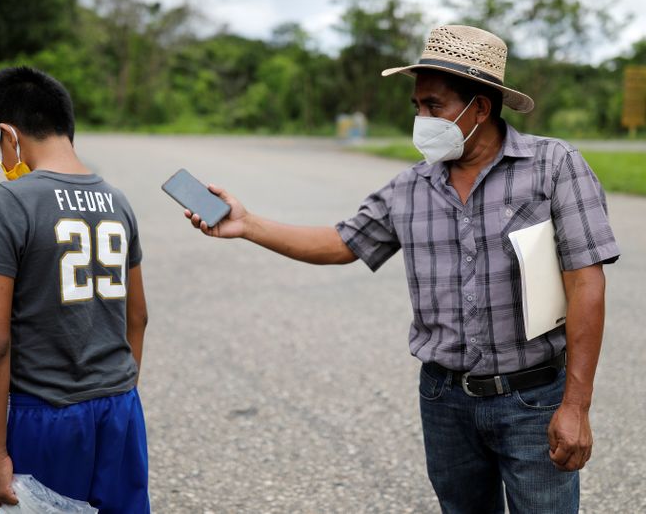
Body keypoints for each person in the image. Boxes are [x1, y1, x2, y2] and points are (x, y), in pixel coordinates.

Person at [184, 25, 620, 513]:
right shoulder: (410, 188)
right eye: (417, 107)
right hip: (444, 401)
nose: (422, 119)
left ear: (480, 107)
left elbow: (586, 282)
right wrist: (248, 224)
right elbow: (341, 243)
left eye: (434, 106)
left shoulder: (553, 167)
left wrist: (576, 406)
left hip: (532, 397)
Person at [0, 67, 150, 514]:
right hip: (119, 407)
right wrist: (119, 396)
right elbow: (136, 317)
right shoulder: (118, 201)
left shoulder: (5, 202)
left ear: (8, 135)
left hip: (42, 415)